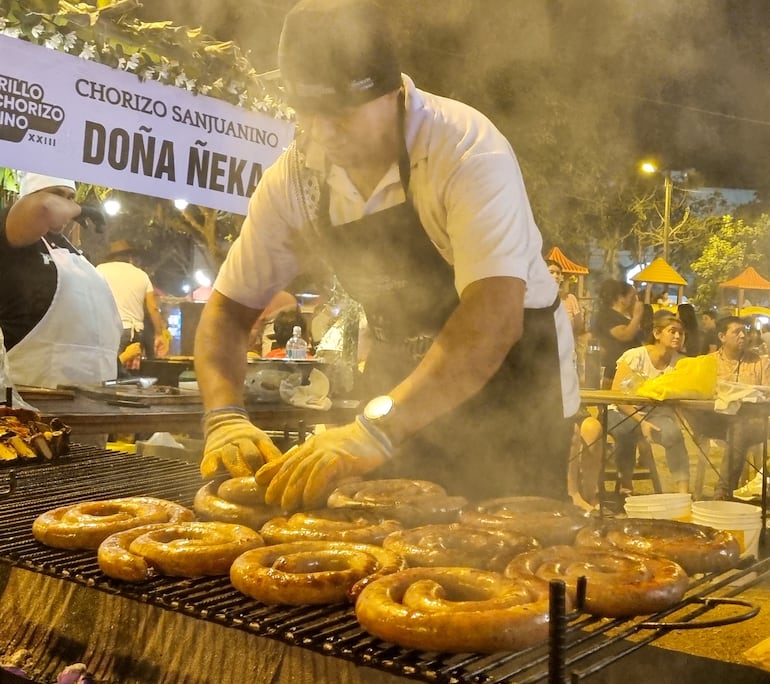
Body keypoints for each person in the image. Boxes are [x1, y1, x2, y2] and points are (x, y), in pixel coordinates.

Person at [193, 0, 579, 506]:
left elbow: (493, 317)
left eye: (342, 116)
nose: (324, 135)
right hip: (401, 375)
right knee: (384, 536)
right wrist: (224, 417)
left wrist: (378, 429)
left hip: (516, 380)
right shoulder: (295, 179)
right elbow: (228, 311)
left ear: (394, 93)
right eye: (309, 116)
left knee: (512, 546)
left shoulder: (463, 148)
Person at [0, 172, 121, 388]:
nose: (67, 205)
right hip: (28, 397)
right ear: (27, 198)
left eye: (71, 197)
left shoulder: (76, 254)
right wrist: (80, 208)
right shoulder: (14, 237)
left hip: (94, 399)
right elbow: (45, 207)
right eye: (58, 194)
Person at [606, 310, 690, 494]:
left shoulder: (681, 363)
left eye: (681, 333)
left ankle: (683, 492)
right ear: (657, 334)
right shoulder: (635, 356)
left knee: (674, 434)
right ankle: (626, 484)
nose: (677, 336)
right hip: (622, 411)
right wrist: (641, 422)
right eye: (672, 331)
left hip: (657, 415)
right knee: (627, 430)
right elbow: (616, 395)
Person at [690, 316, 770, 499]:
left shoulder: (760, 363)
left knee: (739, 428)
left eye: (745, 331)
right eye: (736, 332)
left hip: (755, 423)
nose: (743, 335)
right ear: (721, 336)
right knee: (735, 428)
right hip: (716, 421)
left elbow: (767, 395)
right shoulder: (707, 363)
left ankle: (723, 492)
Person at [96, 239, 169, 368]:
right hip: (136, 333)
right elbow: (153, 308)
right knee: (130, 375)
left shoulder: (100, 270)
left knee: (111, 370)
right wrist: (159, 334)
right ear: (130, 257)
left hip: (111, 330)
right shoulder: (142, 275)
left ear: (111, 257)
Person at [592, 279, 644, 389]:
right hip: (613, 371)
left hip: (628, 372)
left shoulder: (623, 317)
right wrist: (637, 316)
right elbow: (624, 335)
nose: (636, 301)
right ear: (621, 298)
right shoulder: (607, 315)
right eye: (633, 297)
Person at [547, 260, 584, 338]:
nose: (556, 276)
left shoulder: (570, 299)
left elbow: (579, 325)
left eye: (558, 273)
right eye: (551, 272)